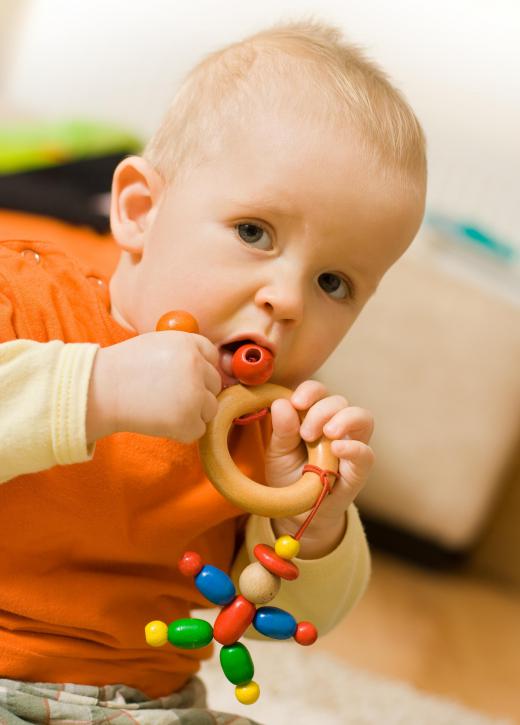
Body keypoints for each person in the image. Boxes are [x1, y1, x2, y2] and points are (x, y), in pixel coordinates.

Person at [0, 19, 426, 724]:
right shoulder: (28, 301)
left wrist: (315, 523)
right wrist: (99, 390)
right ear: (140, 211)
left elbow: (277, 615)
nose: (287, 299)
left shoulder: (264, 436)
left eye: (333, 282)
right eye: (254, 232)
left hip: (152, 703)